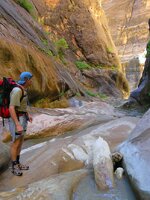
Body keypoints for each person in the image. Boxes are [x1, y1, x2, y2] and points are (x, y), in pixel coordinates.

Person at [9, 72, 33, 176]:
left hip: (23, 117)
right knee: (16, 143)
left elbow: (22, 105)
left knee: (20, 141)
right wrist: (17, 124)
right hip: (17, 119)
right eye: (31, 79)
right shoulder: (17, 90)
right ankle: (14, 167)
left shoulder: (23, 90)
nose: (32, 81)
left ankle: (18, 163)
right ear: (26, 79)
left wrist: (28, 114)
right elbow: (11, 108)